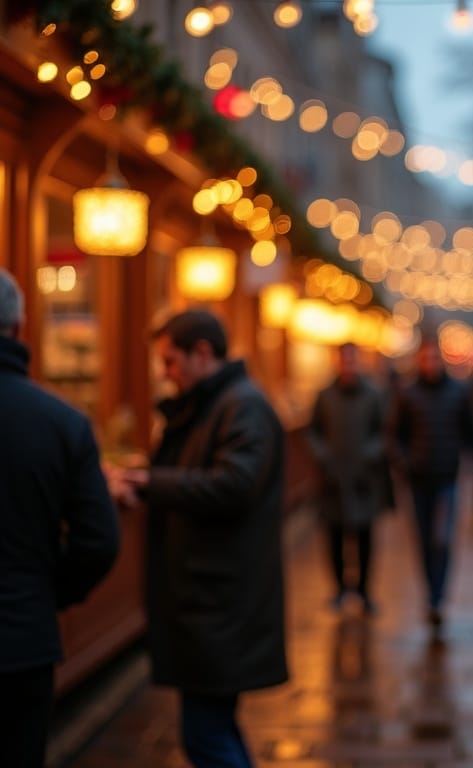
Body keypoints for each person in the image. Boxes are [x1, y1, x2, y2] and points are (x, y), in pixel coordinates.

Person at [108, 309, 287, 768]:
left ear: (202, 353)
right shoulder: (217, 404)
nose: (166, 373)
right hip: (210, 598)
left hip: (220, 601)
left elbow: (233, 485)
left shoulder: (241, 405)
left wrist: (150, 482)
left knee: (206, 734)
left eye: (171, 361)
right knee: (211, 729)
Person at [0, 269, 120, 768]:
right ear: (21, 328)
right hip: (23, 641)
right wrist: (50, 591)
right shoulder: (62, 423)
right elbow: (99, 540)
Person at [389, 336, 473, 629]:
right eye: (425, 359)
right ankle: (431, 594)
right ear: (419, 361)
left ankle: (439, 597)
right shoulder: (407, 394)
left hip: (448, 479)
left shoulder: (459, 392)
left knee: (441, 539)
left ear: (441, 360)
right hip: (417, 481)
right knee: (422, 540)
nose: (430, 364)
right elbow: (394, 435)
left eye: (434, 358)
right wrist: (404, 462)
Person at [307, 342, 391, 615]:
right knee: (334, 536)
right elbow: (314, 431)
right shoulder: (324, 396)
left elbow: (384, 431)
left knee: (365, 537)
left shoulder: (373, 395)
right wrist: (324, 456)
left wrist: (370, 453)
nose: (348, 365)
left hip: (363, 479)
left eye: (352, 360)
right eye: (344, 360)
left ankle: (364, 591)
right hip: (333, 478)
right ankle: (340, 588)